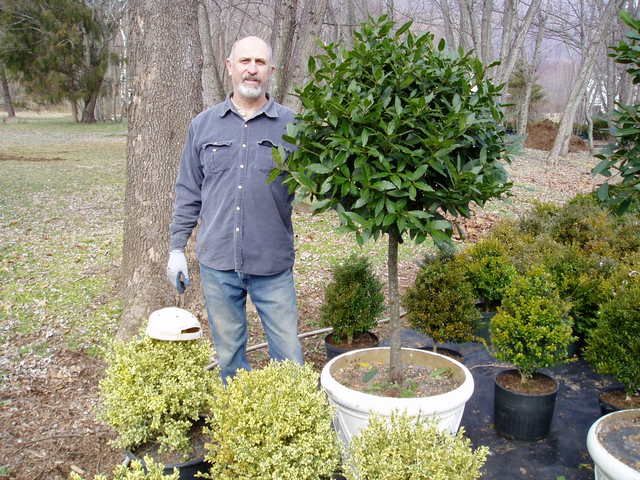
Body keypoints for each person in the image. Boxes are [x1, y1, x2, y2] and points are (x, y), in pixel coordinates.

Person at [166, 36, 303, 381]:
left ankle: (287, 425)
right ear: (230, 66)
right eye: (245, 61)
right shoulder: (203, 125)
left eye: (260, 63)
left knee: (289, 356)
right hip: (218, 263)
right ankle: (237, 422)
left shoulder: (293, 127)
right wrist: (177, 248)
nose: (252, 70)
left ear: (271, 70)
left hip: (272, 263)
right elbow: (188, 189)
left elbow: (318, 185)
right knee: (228, 358)